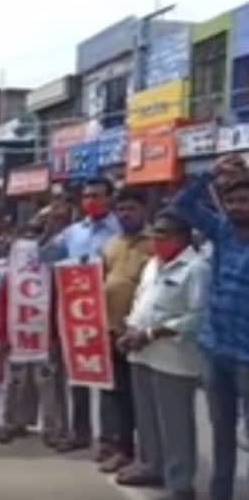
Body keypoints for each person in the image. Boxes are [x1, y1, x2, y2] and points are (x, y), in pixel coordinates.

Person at [170, 154, 249, 500]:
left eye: (244, 200)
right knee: (221, 431)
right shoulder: (221, 230)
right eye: (231, 200)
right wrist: (209, 173)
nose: (237, 206)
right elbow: (182, 203)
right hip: (216, 347)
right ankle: (221, 494)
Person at [115, 211, 209, 500]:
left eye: (163, 234)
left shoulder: (197, 268)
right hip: (141, 352)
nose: (156, 239)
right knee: (147, 418)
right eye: (154, 233)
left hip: (174, 357)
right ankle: (152, 465)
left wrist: (153, 333)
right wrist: (130, 330)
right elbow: (142, 300)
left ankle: (180, 484)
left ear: (182, 237)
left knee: (175, 423)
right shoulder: (153, 264)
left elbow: (198, 316)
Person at [41, 177, 121, 454]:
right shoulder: (74, 232)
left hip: (110, 312)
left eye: (98, 195)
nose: (92, 201)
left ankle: (111, 440)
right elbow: (45, 256)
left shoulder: (120, 229)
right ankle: (80, 433)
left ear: (111, 198)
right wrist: (51, 225)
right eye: (87, 196)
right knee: (79, 377)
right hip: (78, 314)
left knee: (110, 382)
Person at [0, 218, 67, 447]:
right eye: (27, 234)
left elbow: (58, 305)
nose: (30, 241)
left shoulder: (52, 273)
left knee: (47, 385)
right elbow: (3, 305)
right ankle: (11, 423)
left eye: (35, 234)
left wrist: (55, 336)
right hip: (18, 337)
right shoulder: (10, 275)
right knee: (15, 383)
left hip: (43, 338)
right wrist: (4, 336)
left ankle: (52, 429)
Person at [96, 187, 152, 474]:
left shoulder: (157, 243)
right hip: (111, 331)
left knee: (143, 399)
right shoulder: (110, 244)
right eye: (121, 210)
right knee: (117, 395)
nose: (125, 214)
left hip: (142, 336)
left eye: (131, 209)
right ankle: (122, 449)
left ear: (144, 210)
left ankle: (148, 457)